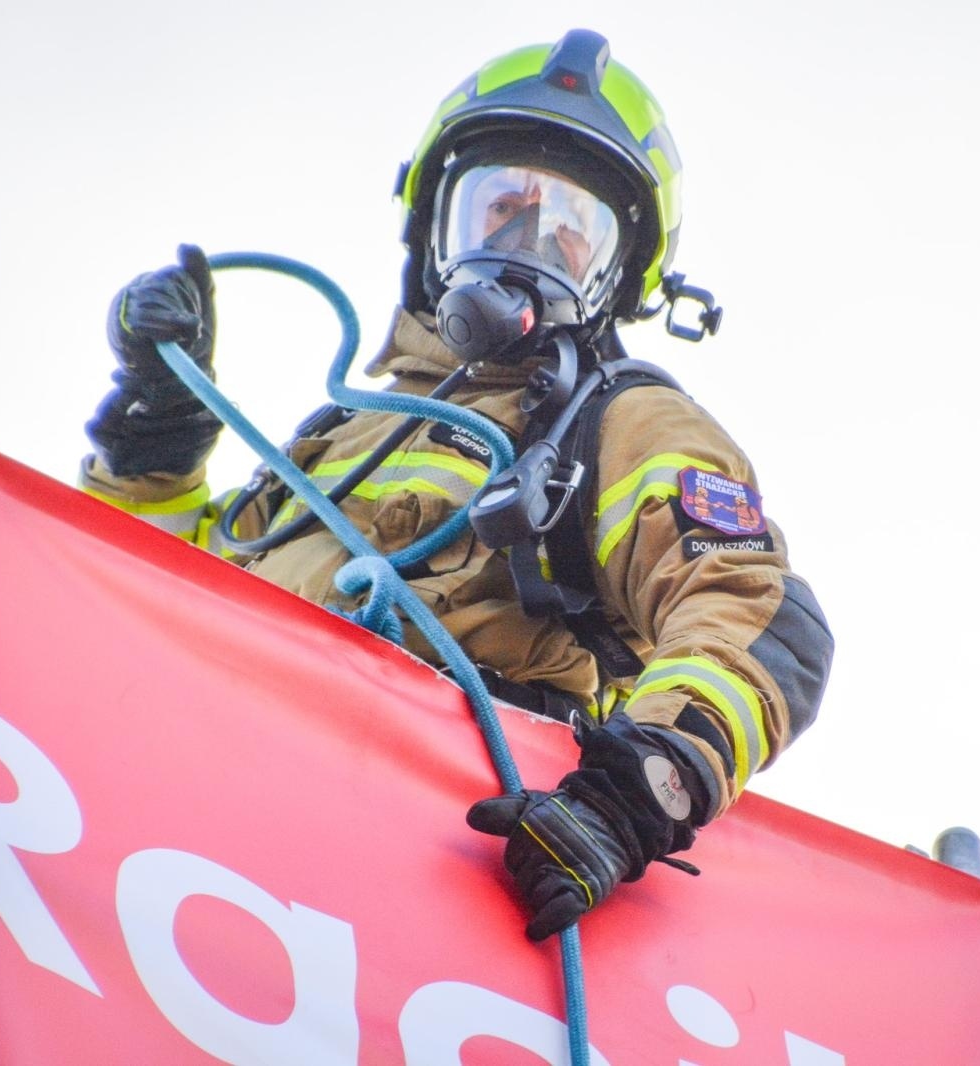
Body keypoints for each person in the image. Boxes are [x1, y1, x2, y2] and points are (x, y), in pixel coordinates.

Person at [79, 29, 834, 941]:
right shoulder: (346, 429)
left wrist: (634, 793)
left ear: (616, 282)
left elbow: (756, 615)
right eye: (501, 204)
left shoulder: (621, 422)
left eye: (569, 228)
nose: (525, 241)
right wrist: (155, 438)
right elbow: (146, 601)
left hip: (430, 871)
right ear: (435, 225)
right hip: (202, 807)